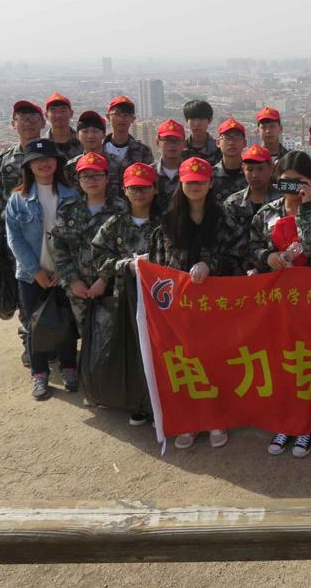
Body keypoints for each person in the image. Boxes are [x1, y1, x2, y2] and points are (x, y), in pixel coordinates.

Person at [149, 157, 240, 450]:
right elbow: (158, 263)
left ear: (210, 183)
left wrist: (210, 264)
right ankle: (189, 419)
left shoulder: (224, 218)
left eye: (201, 181)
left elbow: (238, 253)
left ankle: (216, 417)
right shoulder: (168, 221)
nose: (195, 186)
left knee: (213, 359)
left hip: (215, 303)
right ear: (181, 183)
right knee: (184, 360)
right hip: (180, 306)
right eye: (190, 181)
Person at [248, 151, 311, 458]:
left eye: (299, 182)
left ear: (310, 182)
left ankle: (307, 423)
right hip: (278, 300)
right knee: (281, 358)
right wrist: (266, 256)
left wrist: (306, 207)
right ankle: (285, 420)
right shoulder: (266, 213)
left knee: (308, 359)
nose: (291, 188)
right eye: (286, 182)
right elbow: (253, 247)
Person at [4, 138, 80, 400]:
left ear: (56, 162)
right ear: (29, 166)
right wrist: (36, 270)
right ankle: (39, 373)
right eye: (36, 160)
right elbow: (14, 239)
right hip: (30, 275)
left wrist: (64, 269)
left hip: (64, 273)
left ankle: (69, 367)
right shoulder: (18, 199)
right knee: (34, 325)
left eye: (47, 159)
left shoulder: (72, 195)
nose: (43, 164)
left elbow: (78, 236)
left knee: (66, 321)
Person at [91, 162, 163, 426]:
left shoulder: (165, 221)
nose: (139, 193)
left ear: (155, 189)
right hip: (127, 298)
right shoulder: (115, 224)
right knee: (133, 351)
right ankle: (139, 402)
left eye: (144, 188)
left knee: (160, 351)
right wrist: (124, 265)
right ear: (124, 191)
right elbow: (98, 256)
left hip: (160, 299)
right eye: (134, 189)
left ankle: (160, 404)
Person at [48, 152, 125, 395]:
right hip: (78, 287)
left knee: (113, 335)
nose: (92, 181)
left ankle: (113, 385)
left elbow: (125, 248)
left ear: (107, 178)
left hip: (112, 286)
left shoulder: (121, 208)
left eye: (97, 175)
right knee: (86, 334)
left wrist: (104, 278)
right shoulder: (69, 210)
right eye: (86, 176)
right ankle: (92, 383)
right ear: (79, 181)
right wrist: (72, 280)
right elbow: (59, 247)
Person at [0, 100, 47, 366]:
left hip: (47, 235)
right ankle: (30, 342)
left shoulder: (51, 154)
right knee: (25, 291)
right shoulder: (5, 160)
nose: (28, 123)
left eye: (33, 118)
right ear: (13, 124)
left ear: (43, 123)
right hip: (17, 237)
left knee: (51, 290)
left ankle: (55, 341)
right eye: (22, 118)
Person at [223, 144, 281, 271]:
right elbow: (230, 245)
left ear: (271, 169)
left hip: (275, 271)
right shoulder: (233, 204)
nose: (255, 175)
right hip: (240, 273)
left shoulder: (281, 201)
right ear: (243, 169)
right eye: (250, 169)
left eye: (260, 169)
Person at [103, 95, 154, 193]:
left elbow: (149, 181)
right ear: (108, 117)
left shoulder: (143, 151)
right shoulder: (100, 150)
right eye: (117, 114)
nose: (121, 119)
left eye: (126, 115)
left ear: (133, 118)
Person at [64, 111, 108, 189]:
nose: (90, 136)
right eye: (85, 131)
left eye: (95, 131)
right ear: (77, 135)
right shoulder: (71, 166)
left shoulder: (117, 164)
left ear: (104, 134)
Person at [211, 118, 249, 204]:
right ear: (218, 143)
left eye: (237, 137)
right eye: (227, 138)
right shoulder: (211, 176)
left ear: (244, 143)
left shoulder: (251, 174)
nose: (231, 142)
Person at [152, 119, 186, 213]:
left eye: (177, 140)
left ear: (184, 143)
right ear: (157, 142)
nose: (172, 145)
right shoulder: (149, 173)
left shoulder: (191, 173)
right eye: (167, 140)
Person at [44, 92, 83, 159]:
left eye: (63, 110)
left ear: (71, 113)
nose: (59, 115)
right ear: (46, 115)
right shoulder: (42, 145)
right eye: (53, 111)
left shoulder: (83, 142)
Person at [182, 99, 221, 164]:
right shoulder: (181, 148)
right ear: (187, 120)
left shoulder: (218, 149)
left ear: (210, 120)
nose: (197, 124)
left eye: (201, 119)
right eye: (192, 119)